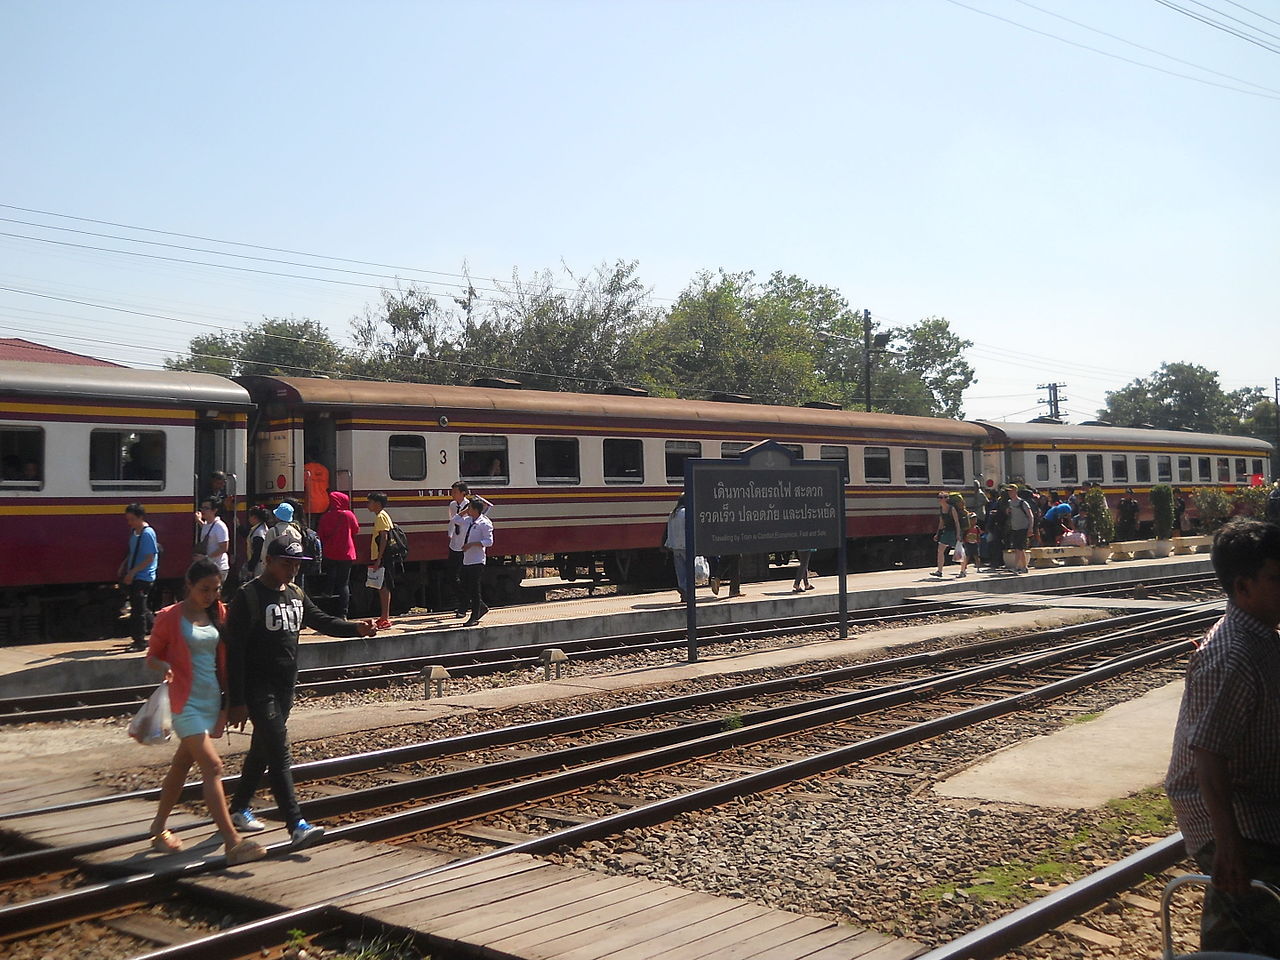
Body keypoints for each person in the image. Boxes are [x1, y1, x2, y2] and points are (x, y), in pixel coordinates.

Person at [1165, 519, 1280, 956]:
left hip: (1261, 804)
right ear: (1243, 586)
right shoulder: (1231, 654)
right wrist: (1228, 844)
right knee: (1251, 928)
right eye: (1277, 578)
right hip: (1237, 818)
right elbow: (1208, 754)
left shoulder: (1262, 636)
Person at [226, 539, 376, 847]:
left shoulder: (295, 593)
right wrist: (236, 700)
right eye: (286, 563)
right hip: (258, 686)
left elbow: (320, 620)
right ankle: (296, 824)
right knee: (278, 749)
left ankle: (239, 808)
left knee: (262, 747)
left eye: (296, 564)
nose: (292, 569)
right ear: (268, 560)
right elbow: (234, 652)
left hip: (285, 684)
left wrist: (355, 629)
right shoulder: (248, 596)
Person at [143, 558, 265, 866]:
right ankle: (232, 841)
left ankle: (158, 828)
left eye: (215, 589)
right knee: (212, 767)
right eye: (204, 589)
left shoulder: (218, 612)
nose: (210, 595)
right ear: (189, 586)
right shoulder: (170, 617)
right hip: (184, 703)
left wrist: (233, 700)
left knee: (181, 765)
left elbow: (228, 655)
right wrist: (165, 666)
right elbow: (152, 656)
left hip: (210, 700)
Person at [448, 482, 493, 616]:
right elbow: (453, 521)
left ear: (463, 493)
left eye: (455, 492)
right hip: (455, 544)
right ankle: (474, 604)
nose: (452, 494)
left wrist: (466, 510)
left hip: (465, 548)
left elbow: (485, 537)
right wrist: (450, 535)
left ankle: (467, 606)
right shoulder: (453, 505)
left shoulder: (473, 506)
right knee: (452, 577)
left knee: (466, 580)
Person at [121, 503, 159, 652]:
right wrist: (124, 566)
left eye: (132, 519)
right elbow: (132, 552)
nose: (129, 522)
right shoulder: (135, 532)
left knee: (138, 611)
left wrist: (132, 572)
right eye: (128, 519)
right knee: (141, 608)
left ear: (140, 517)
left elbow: (150, 558)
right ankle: (161, 631)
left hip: (143, 576)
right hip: (135, 574)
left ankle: (139, 642)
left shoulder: (147, 533)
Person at [317, 491, 359, 619]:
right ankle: (343, 613)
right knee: (344, 584)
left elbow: (321, 535)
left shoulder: (325, 517)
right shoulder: (349, 515)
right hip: (347, 553)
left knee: (331, 575)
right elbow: (356, 530)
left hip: (330, 552)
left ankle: (327, 593)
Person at [459, 497, 494, 625]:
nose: (467, 510)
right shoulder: (469, 520)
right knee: (465, 586)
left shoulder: (484, 523)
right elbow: (455, 520)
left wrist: (472, 544)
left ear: (475, 510)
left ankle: (474, 617)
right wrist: (463, 512)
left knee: (474, 589)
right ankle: (481, 607)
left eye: (469, 508)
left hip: (477, 560)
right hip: (467, 560)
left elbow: (489, 542)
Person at [365, 491, 394, 630]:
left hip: (382, 557)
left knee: (383, 587)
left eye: (370, 502)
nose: (368, 505)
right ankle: (384, 617)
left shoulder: (381, 517)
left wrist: (379, 558)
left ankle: (385, 618)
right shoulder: (382, 515)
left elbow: (384, 537)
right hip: (382, 556)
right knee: (382, 586)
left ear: (377, 503)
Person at [194, 499, 230, 581]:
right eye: (202, 508)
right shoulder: (207, 524)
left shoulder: (220, 526)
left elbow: (224, 548)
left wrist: (205, 558)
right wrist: (199, 521)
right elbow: (208, 530)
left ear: (215, 510)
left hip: (218, 567)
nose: (203, 510)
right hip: (209, 566)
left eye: (206, 508)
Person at [664, 496, 691, 602]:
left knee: (680, 571)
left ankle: (682, 588)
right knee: (690, 570)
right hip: (686, 545)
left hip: (675, 546)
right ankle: (687, 590)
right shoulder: (687, 513)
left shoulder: (672, 514)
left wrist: (669, 543)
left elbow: (669, 530)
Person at [932, 492, 965, 578]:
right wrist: (937, 534)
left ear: (946, 499)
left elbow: (957, 522)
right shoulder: (941, 508)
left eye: (941, 497)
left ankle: (963, 571)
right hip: (947, 531)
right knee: (940, 550)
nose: (939, 499)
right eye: (939, 497)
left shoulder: (952, 509)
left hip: (954, 532)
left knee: (959, 551)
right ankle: (939, 571)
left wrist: (958, 534)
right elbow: (941, 522)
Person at [1004, 484, 1034, 575]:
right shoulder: (1010, 503)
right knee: (1020, 548)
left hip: (1023, 527)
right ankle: (1024, 567)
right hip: (1015, 527)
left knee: (1018, 548)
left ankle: (1016, 567)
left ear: (1015, 491)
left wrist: (1030, 528)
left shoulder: (1022, 503)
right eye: (1008, 491)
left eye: (1011, 491)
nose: (1009, 493)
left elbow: (1030, 516)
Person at [242, 506, 270, 582]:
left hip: (259, 566)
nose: (249, 519)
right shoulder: (261, 528)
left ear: (254, 517)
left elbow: (257, 553)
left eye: (250, 517)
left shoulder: (258, 533)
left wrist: (251, 568)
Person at [303, 448, 329, 525]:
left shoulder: (305, 468)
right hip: (324, 502)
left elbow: (302, 486)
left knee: (311, 525)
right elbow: (327, 486)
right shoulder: (324, 469)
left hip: (310, 502)